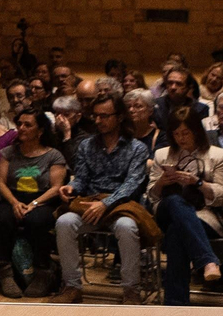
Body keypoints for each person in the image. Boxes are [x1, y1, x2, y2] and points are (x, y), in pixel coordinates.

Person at [47, 92, 154, 304]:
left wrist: (105, 204)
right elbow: (82, 179)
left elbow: (132, 185)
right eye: (95, 116)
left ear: (120, 117)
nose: (99, 121)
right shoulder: (87, 146)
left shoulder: (137, 148)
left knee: (127, 227)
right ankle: (72, 285)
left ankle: (131, 289)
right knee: (64, 222)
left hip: (122, 205)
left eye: (105, 116)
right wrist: (70, 187)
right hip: (90, 201)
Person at [146, 106, 223, 306]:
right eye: (176, 134)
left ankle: (175, 303)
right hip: (165, 211)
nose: (181, 138)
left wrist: (198, 183)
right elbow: (151, 196)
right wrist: (162, 182)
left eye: (185, 133)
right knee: (175, 201)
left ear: (197, 131)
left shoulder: (219, 155)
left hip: (207, 215)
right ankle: (207, 261)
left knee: (176, 233)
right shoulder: (162, 155)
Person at [0, 110, 66, 297]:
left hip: (43, 200)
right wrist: (15, 202)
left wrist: (35, 203)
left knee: (37, 220)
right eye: (19, 124)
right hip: (13, 197)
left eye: (27, 125)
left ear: (40, 131)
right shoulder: (9, 152)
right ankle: (4, 271)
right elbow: (1, 182)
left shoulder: (54, 155)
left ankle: (42, 271)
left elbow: (56, 187)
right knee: (0, 217)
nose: (21, 128)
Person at [124, 89, 166, 154]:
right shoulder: (123, 136)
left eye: (138, 106)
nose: (131, 110)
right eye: (128, 107)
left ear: (150, 111)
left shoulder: (161, 137)